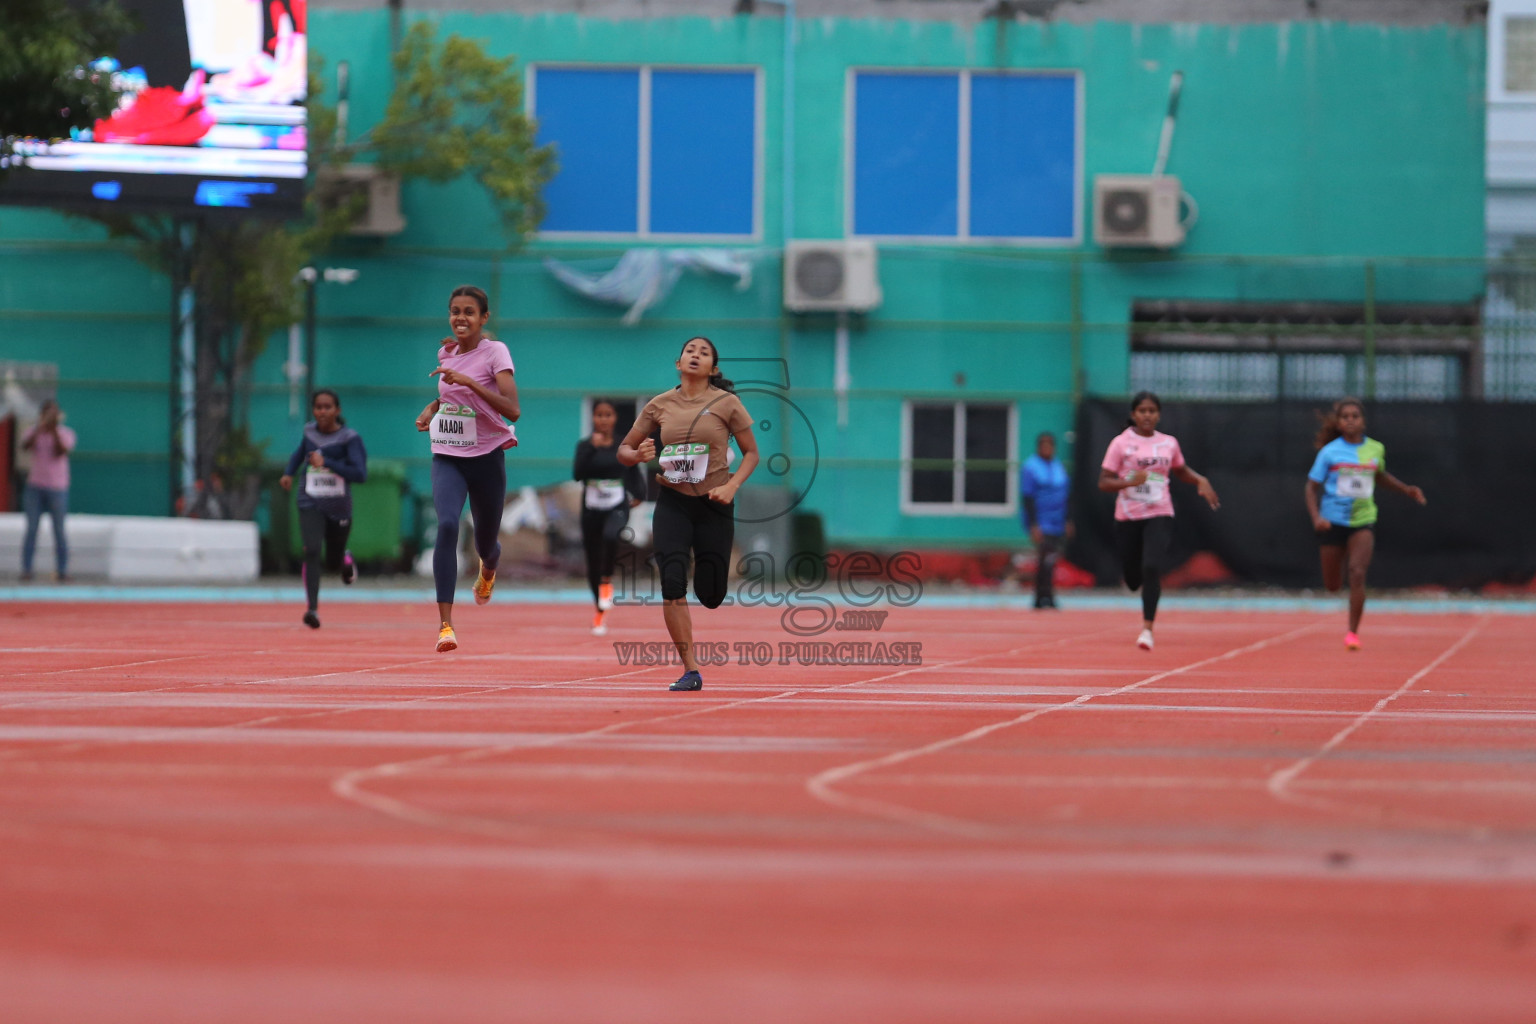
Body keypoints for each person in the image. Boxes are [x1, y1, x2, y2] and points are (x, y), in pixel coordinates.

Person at [617, 337, 759, 691]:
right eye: (690, 351)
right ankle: (690, 669)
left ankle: (707, 588)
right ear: (678, 363)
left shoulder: (727, 404)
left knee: (711, 595)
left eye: (704, 352)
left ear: (713, 368)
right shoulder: (659, 405)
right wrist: (635, 456)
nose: (695, 355)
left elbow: (752, 454)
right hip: (673, 503)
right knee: (672, 583)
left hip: (714, 504)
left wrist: (731, 486)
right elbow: (624, 449)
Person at [414, 285, 520, 653]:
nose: (461, 317)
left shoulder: (496, 353)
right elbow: (450, 395)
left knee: (485, 544)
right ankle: (445, 626)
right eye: (455, 310)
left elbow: (513, 409)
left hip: (487, 457)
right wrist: (433, 408)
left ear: (483, 318)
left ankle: (488, 567)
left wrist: (472, 382)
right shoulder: (446, 352)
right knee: (446, 524)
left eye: (469, 312)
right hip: (448, 455)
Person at [1098, 391, 1220, 650]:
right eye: (1142, 411)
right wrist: (1129, 482)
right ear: (1133, 414)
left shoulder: (1168, 443)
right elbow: (1103, 481)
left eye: (1152, 411)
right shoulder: (1120, 443)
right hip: (1128, 515)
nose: (1147, 415)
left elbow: (1180, 470)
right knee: (1133, 578)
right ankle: (1135, 578)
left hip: (1159, 511)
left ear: (1158, 415)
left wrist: (1199, 479)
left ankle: (1147, 629)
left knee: (1152, 567)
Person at [1304, 397, 1426, 650]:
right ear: (1338, 423)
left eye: (1355, 416)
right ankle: (1336, 587)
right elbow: (1311, 487)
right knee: (1333, 585)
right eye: (1345, 416)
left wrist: (1405, 489)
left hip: (1363, 519)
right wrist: (1317, 517)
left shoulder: (1375, 449)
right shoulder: (1329, 452)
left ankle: (1352, 633)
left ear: (1363, 421)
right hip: (1332, 521)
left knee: (1358, 573)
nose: (1350, 420)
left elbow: (1379, 476)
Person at [279, 389, 367, 629]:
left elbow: (360, 474)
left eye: (328, 407)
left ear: (337, 410)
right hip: (310, 500)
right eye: (318, 407)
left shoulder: (349, 439)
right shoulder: (309, 432)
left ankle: (345, 560)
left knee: (332, 562)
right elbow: (300, 452)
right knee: (312, 550)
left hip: (338, 507)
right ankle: (312, 610)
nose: (322, 411)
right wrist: (289, 473)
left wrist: (327, 462)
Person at [573, 399, 646, 637]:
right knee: (592, 559)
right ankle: (599, 611)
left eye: (608, 415)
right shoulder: (585, 445)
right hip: (591, 507)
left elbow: (633, 468)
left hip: (617, 504)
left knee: (611, 534)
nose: (603, 419)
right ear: (594, 419)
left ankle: (607, 580)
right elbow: (577, 474)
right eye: (599, 415)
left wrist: (640, 494)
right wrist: (592, 449)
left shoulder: (623, 444)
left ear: (615, 418)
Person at [19, 398, 75, 582]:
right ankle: (27, 569)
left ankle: (62, 570)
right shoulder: (35, 432)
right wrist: (39, 429)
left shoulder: (65, 433)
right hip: (35, 485)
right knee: (32, 528)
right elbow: (25, 446)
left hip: (58, 486)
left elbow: (61, 451)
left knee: (59, 529)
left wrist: (53, 431)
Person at [1020, 430, 1072, 609]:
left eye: (1050, 445)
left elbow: (1066, 495)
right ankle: (1041, 596)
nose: (1047, 448)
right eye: (1044, 445)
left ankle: (1046, 595)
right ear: (1038, 447)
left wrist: (1068, 520)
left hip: (1058, 520)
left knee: (1051, 559)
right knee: (1045, 559)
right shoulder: (1031, 467)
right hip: (1041, 521)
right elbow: (1027, 498)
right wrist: (1034, 524)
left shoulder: (1058, 466)